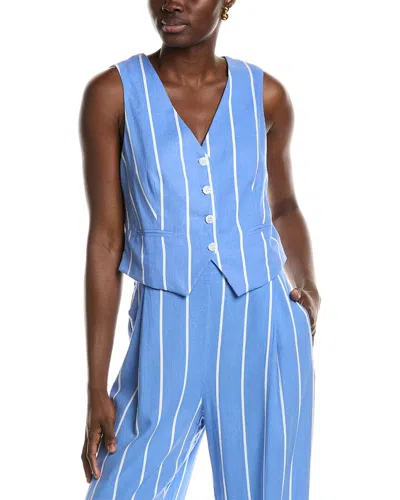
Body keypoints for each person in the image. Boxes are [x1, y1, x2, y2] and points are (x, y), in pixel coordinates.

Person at [79, 0, 321, 498]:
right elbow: (105, 239)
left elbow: (284, 206)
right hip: (163, 337)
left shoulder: (266, 96)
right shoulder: (113, 94)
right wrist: (96, 386)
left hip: (263, 326)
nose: (172, 2)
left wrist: (309, 285)